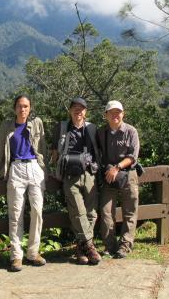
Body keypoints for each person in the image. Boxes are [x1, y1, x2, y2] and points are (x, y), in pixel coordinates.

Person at [0, 94, 48, 272]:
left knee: (37, 211)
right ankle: (16, 256)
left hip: (34, 168)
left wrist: (48, 171)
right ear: (14, 108)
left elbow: (43, 148)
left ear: (30, 108)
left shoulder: (37, 123)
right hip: (16, 169)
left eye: (26, 106)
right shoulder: (7, 126)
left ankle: (33, 253)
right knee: (16, 214)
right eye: (20, 106)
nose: (23, 109)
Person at [52, 97, 102, 265]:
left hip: (89, 174)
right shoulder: (62, 128)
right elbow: (54, 152)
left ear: (86, 112)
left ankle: (82, 248)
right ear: (70, 110)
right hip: (69, 175)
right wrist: (53, 170)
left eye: (81, 108)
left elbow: (99, 150)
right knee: (78, 211)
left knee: (91, 213)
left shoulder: (92, 129)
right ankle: (91, 247)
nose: (78, 111)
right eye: (75, 108)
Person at [97, 100, 140, 259]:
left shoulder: (131, 131)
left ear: (123, 113)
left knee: (130, 212)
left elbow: (133, 156)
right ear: (106, 115)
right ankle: (110, 246)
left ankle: (125, 245)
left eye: (118, 112)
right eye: (112, 112)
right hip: (109, 176)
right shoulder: (101, 133)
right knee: (106, 211)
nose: (115, 115)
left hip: (128, 175)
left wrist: (117, 167)